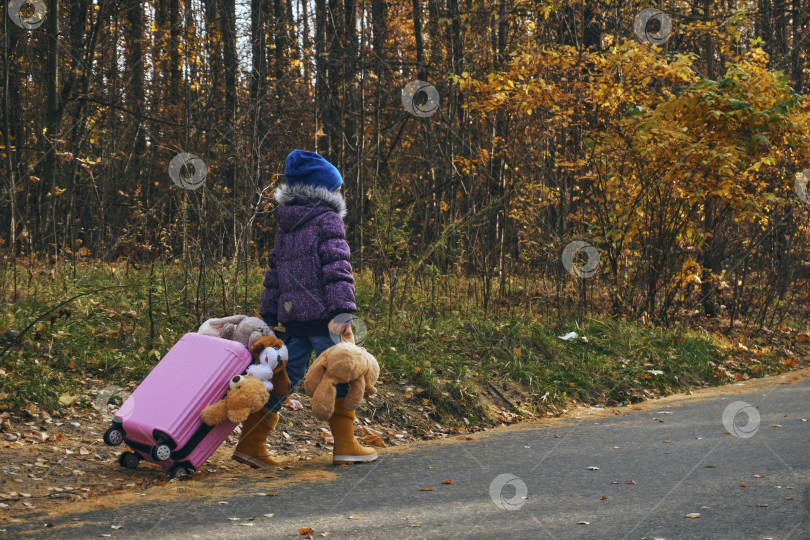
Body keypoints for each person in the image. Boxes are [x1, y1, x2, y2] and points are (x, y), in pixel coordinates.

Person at [231, 149, 378, 468]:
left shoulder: (286, 225)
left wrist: (269, 317)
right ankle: (345, 445)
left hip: (293, 320)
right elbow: (337, 268)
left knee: (282, 378)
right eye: (336, 187)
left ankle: (250, 443)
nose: (340, 192)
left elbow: (274, 276)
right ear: (324, 189)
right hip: (326, 320)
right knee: (341, 372)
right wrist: (343, 314)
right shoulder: (328, 220)